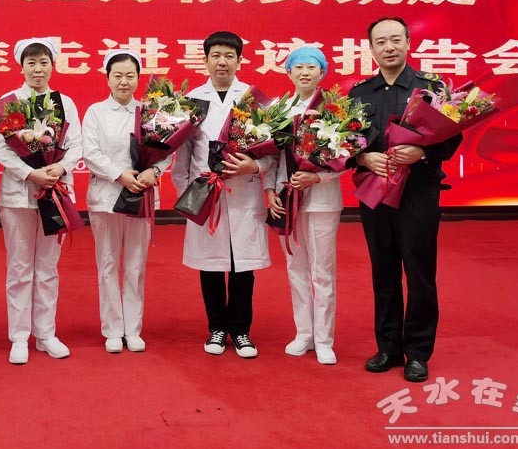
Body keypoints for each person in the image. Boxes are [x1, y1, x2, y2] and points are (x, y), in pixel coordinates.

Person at [350, 17, 462, 383]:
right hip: (375, 191)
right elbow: (345, 142)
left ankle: (417, 352)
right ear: (371, 48)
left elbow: (452, 137)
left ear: (408, 43)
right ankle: (387, 347)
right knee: (383, 271)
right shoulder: (359, 93)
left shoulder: (432, 88)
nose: (389, 47)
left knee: (419, 272)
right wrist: (363, 158)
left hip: (418, 192)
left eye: (395, 39)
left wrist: (423, 153)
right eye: (381, 41)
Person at [171, 31, 274, 358]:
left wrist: (254, 167)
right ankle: (216, 327)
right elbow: (182, 156)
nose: (222, 62)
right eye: (215, 55)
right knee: (211, 263)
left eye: (229, 56)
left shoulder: (254, 99)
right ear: (205, 60)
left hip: (243, 191)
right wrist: (188, 196)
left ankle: (241, 331)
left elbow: (272, 152)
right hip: (205, 191)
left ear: (239, 60)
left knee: (243, 265)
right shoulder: (192, 100)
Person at [0, 38, 83, 365]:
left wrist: (58, 169)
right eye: (31, 63)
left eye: (44, 62)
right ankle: (19, 337)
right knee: (19, 267)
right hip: (19, 197)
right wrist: (31, 174)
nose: (38, 69)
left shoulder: (65, 103)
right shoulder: (9, 103)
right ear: (21, 67)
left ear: (52, 66)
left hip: (53, 191)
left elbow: (76, 144)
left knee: (47, 267)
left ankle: (46, 334)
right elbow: (2, 149)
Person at [82, 50, 167, 354]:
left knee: (135, 264)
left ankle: (133, 329)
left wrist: (154, 171)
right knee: (107, 263)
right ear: (107, 79)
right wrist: (119, 174)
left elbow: (165, 150)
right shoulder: (95, 112)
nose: (123, 81)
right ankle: (113, 329)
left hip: (140, 194)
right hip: (106, 196)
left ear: (138, 79)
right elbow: (90, 153)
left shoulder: (149, 112)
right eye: (117, 75)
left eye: (130, 76)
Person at [264, 46, 344, 365]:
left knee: (322, 271)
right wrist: (270, 190)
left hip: (322, 201)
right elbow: (271, 156)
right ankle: (303, 333)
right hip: (287, 198)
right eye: (298, 67)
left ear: (322, 72)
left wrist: (318, 177)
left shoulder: (334, 109)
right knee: (295, 268)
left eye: (312, 67)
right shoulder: (279, 109)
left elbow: (347, 157)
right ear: (289, 72)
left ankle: (324, 339)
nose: (305, 72)